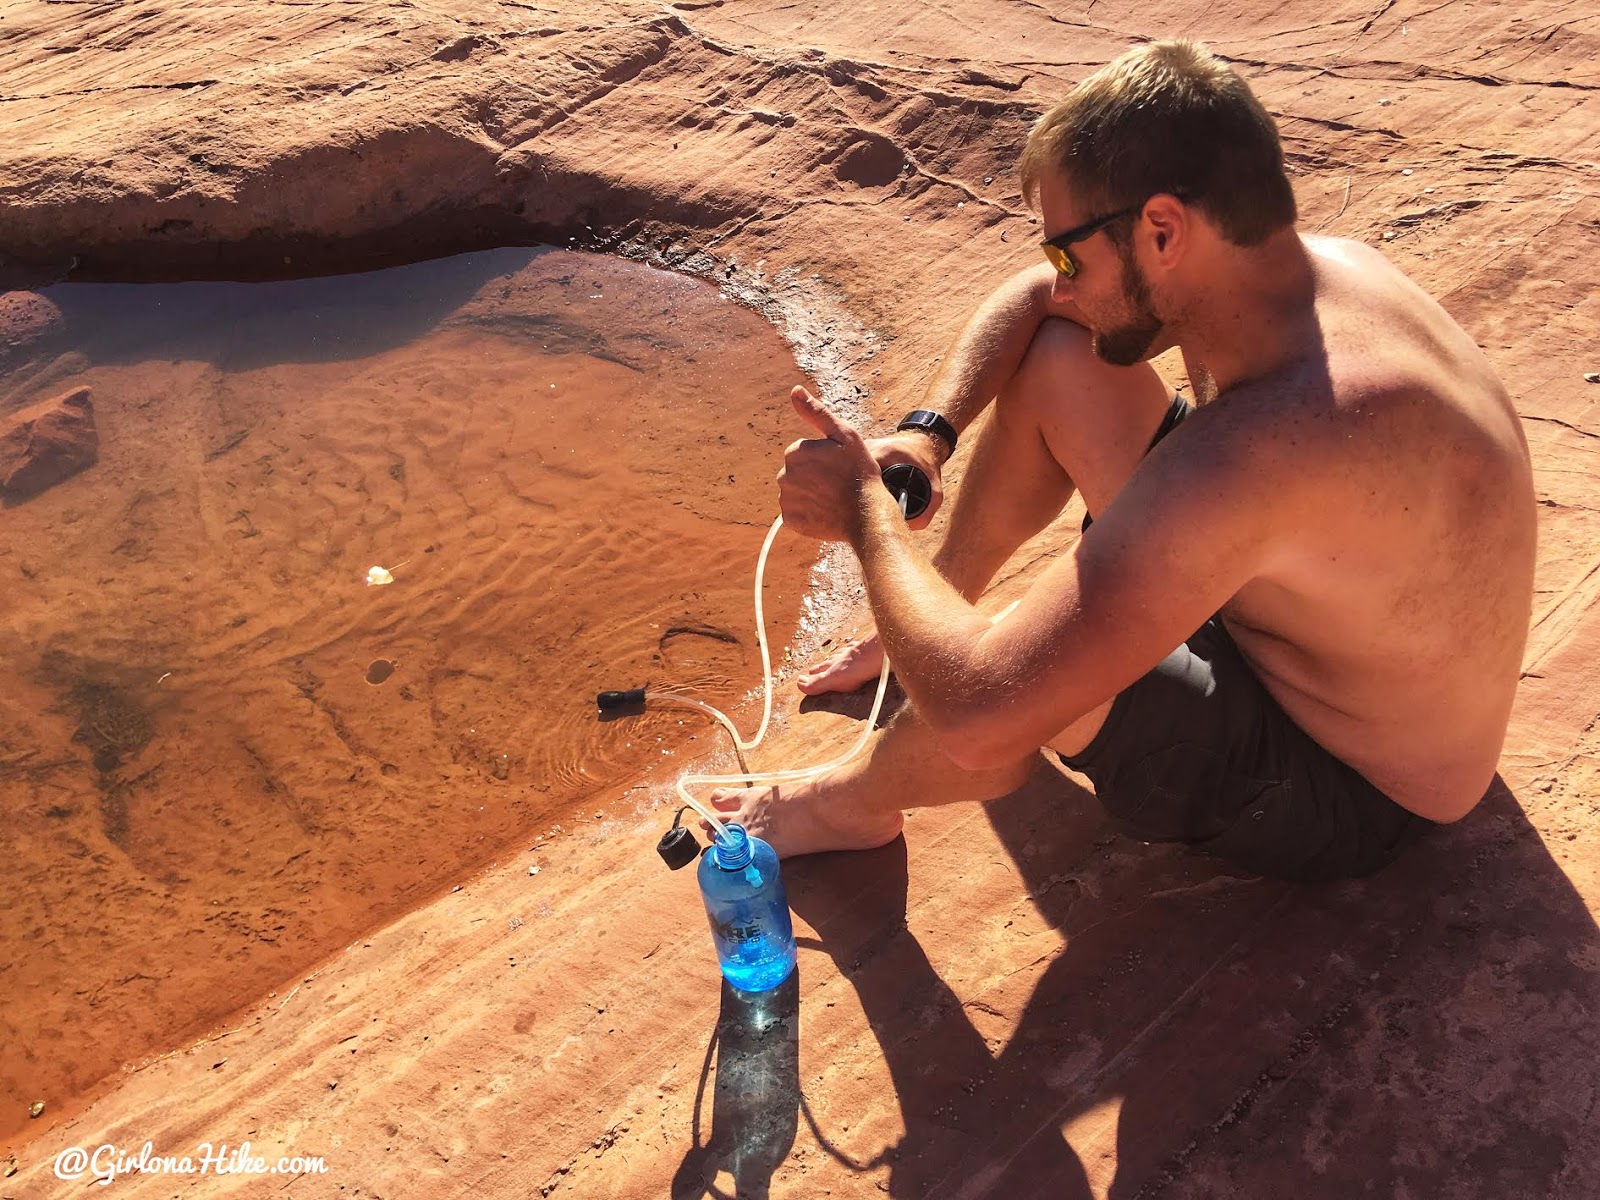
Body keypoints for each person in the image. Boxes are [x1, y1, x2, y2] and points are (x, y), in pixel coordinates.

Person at [710, 39, 1536, 881]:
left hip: (1353, 788)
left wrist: (865, 513)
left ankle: (848, 806)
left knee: (1013, 673)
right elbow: (1038, 308)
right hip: (1319, 633)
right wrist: (929, 434)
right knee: (1064, 356)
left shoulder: (1267, 444)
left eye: (1067, 253)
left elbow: (979, 720)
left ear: (1164, 228)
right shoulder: (1319, 278)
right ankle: (938, 606)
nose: (1056, 281)